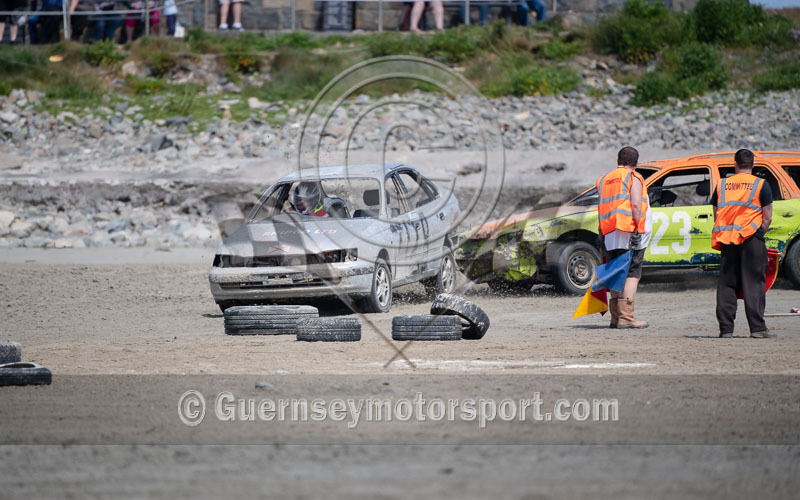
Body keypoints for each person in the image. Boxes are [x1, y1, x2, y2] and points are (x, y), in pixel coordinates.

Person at [711, 149, 774, 338]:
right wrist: (757, 232)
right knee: (754, 282)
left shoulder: (721, 185)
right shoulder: (761, 184)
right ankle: (757, 328)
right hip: (751, 237)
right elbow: (767, 217)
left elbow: (717, 213)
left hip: (727, 240)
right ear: (753, 165)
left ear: (735, 164)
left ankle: (726, 329)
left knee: (727, 284)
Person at [595, 146, 651, 329]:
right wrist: (638, 229)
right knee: (632, 273)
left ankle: (615, 317)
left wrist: (602, 231)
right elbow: (635, 204)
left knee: (615, 272)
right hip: (629, 230)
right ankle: (626, 317)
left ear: (618, 160)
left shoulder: (604, 179)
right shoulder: (633, 177)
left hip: (610, 232)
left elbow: (601, 206)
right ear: (636, 163)